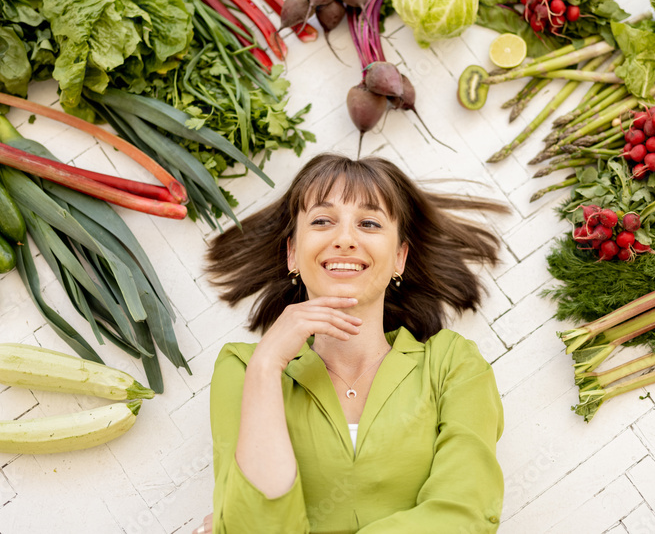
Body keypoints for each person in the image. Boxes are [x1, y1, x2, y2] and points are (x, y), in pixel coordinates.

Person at [196, 153, 509, 533]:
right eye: (323, 221)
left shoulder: (453, 365)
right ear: (293, 253)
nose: (344, 239)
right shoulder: (246, 368)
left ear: (399, 258)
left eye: (369, 223)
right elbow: (254, 526)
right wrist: (267, 366)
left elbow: (465, 514)